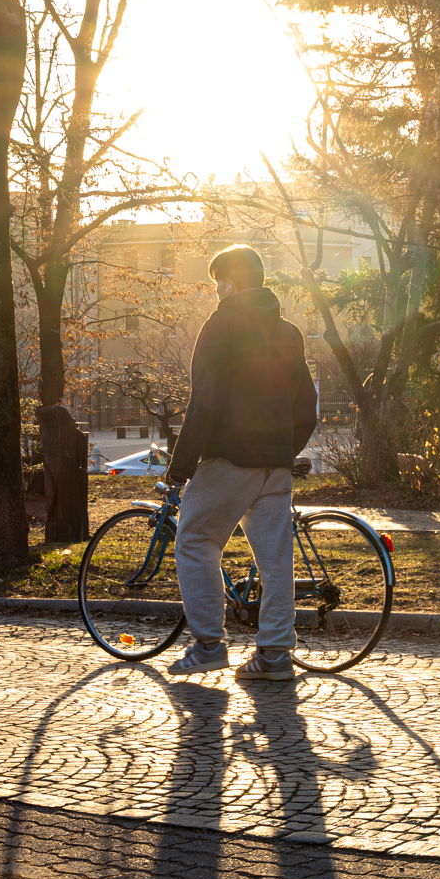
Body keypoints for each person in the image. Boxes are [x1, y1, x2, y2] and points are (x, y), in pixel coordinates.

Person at [165, 244, 317, 681]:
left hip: (230, 457)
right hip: (275, 463)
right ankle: (273, 657)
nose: (216, 291)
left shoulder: (222, 323)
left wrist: (181, 467)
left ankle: (209, 644)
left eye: (217, 282)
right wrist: (283, 449)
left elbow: (205, 401)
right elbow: (307, 407)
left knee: (195, 540)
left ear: (230, 281)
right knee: (275, 561)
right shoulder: (289, 332)